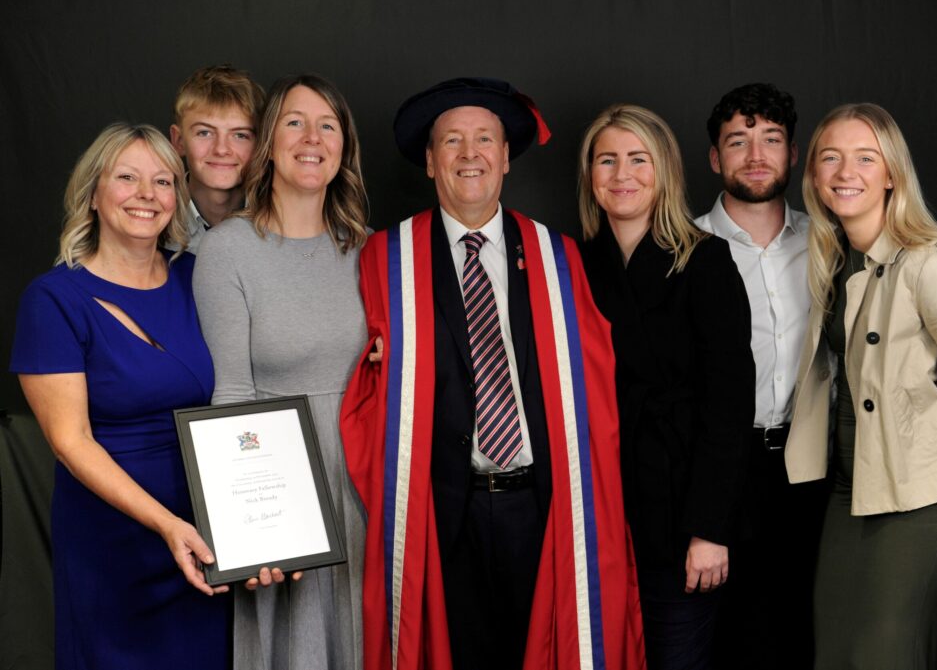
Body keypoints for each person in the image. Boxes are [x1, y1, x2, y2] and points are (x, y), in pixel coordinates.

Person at [341, 78, 645, 670]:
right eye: (451, 141)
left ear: (506, 157)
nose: (469, 153)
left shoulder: (559, 256)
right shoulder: (387, 257)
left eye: (485, 139)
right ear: (430, 162)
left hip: (538, 506)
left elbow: (598, 392)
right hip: (442, 512)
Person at [786, 103, 937, 670]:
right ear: (813, 174)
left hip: (921, 496)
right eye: (830, 158)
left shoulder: (929, 263)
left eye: (866, 158)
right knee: (835, 653)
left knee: (884, 657)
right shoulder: (831, 259)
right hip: (852, 487)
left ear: (891, 173)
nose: (846, 172)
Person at [10, 123, 231, 669]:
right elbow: (70, 442)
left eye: (162, 181)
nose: (146, 195)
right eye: (127, 178)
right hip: (114, 543)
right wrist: (166, 525)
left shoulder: (198, 279)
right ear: (92, 192)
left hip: (209, 534)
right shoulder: (53, 299)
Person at [193, 74, 370, 670]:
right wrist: (248, 532)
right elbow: (232, 394)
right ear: (269, 141)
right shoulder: (228, 251)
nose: (312, 137)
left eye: (328, 124)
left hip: (369, 486)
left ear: (344, 145)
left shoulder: (373, 251)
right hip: (280, 491)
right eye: (295, 121)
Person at [577, 104, 755, 670]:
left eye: (638, 159)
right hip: (602, 511)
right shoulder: (573, 265)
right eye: (607, 160)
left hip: (681, 516)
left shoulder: (706, 262)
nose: (621, 174)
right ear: (590, 175)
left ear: (665, 172)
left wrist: (708, 529)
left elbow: (729, 406)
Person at [693, 82, 826, 670]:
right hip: (724, 465)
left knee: (806, 628)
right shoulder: (686, 247)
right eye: (738, 142)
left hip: (813, 463)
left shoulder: (830, 242)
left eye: (770, 140)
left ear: (793, 153)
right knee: (731, 638)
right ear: (715, 158)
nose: (755, 155)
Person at [168, 64, 264, 252]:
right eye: (204, 133)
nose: (221, 149)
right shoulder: (153, 222)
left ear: (260, 145)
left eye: (240, 135)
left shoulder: (279, 223)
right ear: (179, 141)